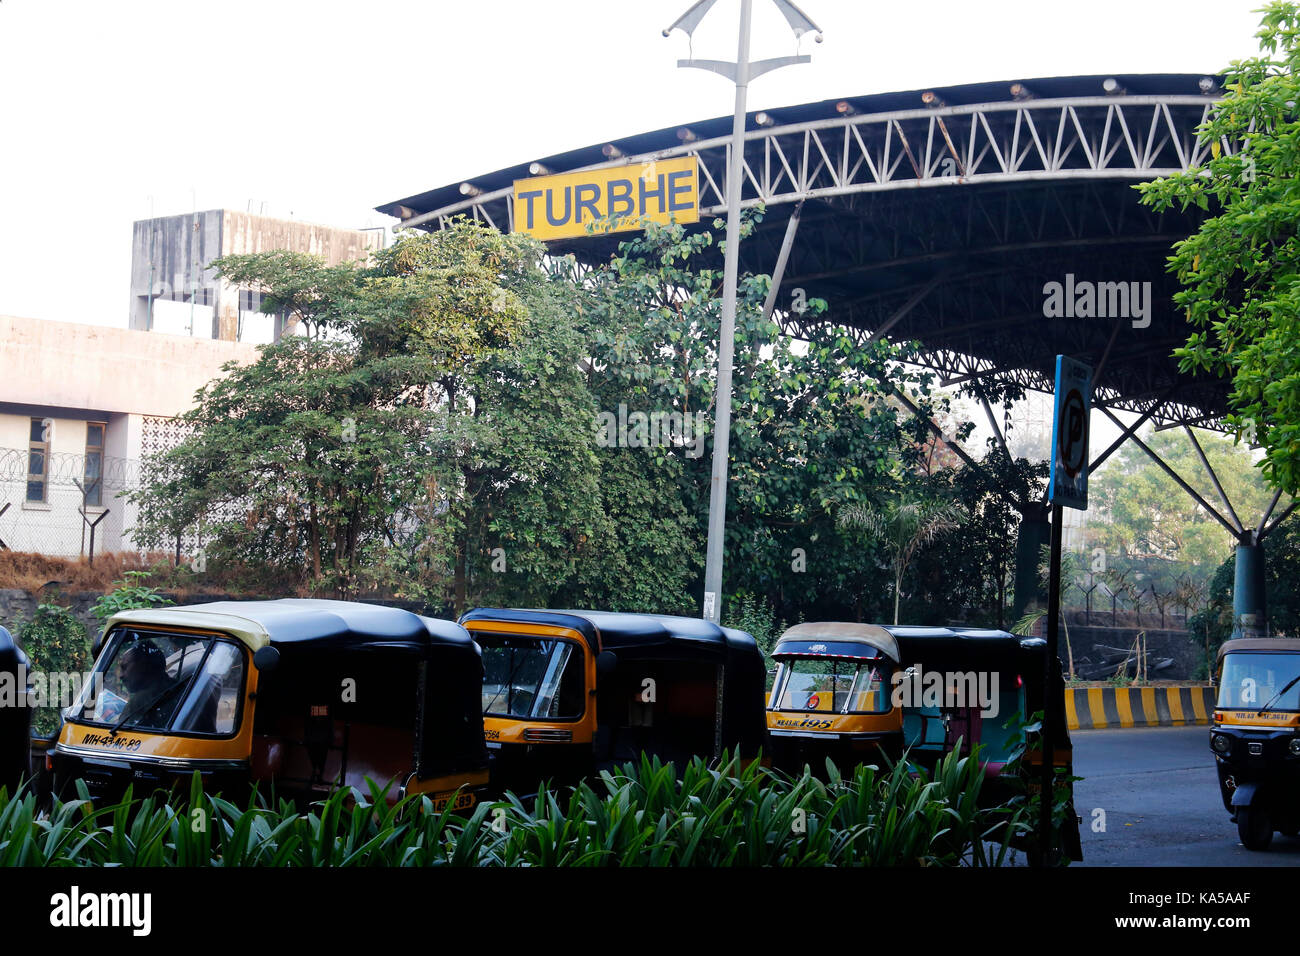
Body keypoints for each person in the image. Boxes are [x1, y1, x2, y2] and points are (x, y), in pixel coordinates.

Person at [98, 641, 174, 727]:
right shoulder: (176, 688)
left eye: (125, 667)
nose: (121, 676)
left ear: (144, 665)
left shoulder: (138, 703)